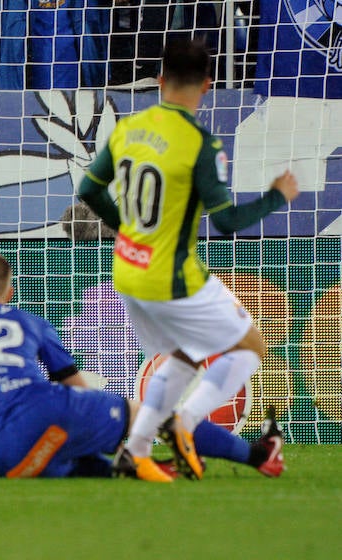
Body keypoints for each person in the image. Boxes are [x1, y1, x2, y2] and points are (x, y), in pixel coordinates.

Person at [77, 38, 298, 480]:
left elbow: (87, 191)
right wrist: (277, 196)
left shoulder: (128, 129)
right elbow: (230, 222)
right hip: (173, 277)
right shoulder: (200, 144)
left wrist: (127, 230)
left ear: (159, 81)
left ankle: (135, 451)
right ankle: (185, 422)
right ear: (208, 85)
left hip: (127, 270)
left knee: (183, 356)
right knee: (250, 346)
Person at [0, 252, 288, 481]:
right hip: (44, 411)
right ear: (11, 291)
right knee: (146, 414)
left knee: (79, 462)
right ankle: (257, 456)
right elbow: (75, 385)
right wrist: (122, 417)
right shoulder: (26, 321)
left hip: (2, 456)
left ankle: (124, 465)